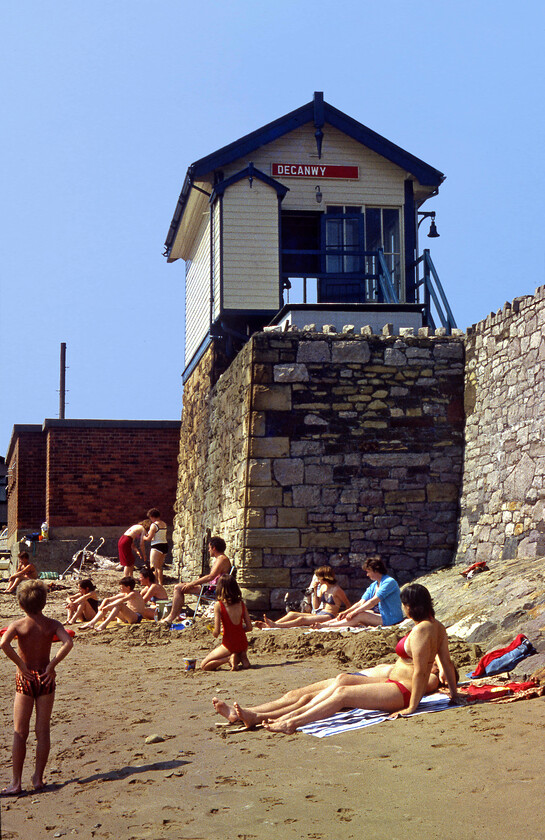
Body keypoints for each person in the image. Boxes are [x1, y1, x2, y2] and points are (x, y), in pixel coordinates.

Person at [218, 583, 462, 734]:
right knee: (339, 683)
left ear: (412, 606)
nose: (404, 610)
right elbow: (446, 663)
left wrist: (411, 708)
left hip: (403, 689)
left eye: (405, 605)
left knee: (343, 694)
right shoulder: (436, 626)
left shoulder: (422, 630)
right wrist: (453, 692)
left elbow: (421, 672)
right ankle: (259, 715)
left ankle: (290, 722)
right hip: (393, 681)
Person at [0, 580, 74, 794]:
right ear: (44, 601)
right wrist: (52, 666)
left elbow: (4, 643)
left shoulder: (18, 625)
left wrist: (21, 666)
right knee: (42, 731)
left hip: (25, 679)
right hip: (45, 677)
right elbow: (68, 642)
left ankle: (16, 782)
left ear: (21, 604)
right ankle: (38, 779)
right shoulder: (52, 624)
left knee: (19, 732)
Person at [160, 536, 231, 626]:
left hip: (215, 590)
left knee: (178, 588)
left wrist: (192, 583)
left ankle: (171, 617)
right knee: (179, 587)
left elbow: (211, 577)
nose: (209, 550)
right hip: (211, 587)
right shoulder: (220, 559)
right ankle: (175, 615)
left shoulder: (222, 559)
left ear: (214, 548)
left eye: (209, 548)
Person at [317, 555, 403, 629]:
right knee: (355, 613)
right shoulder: (374, 585)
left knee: (360, 615)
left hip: (391, 618)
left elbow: (373, 602)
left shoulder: (389, 582)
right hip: (381, 615)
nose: (367, 575)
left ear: (375, 570)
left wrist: (355, 612)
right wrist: (346, 612)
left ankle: (328, 626)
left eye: (368, 572)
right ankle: (324, 624)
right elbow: (361, 602)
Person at [255, 566, 351, 629]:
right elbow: (316, 606)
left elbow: (348, 604)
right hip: (320, 613)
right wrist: (314, 589)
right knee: (292, 614)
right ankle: (271, 625)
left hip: (330, 615)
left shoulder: (337, 590)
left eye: (318, 577)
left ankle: (276, 625)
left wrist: (346, 617)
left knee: (301, 619)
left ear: (324, 577)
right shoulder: (322, 587)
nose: (317, 579)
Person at [200, 575, 252, 671]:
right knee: (238, 649)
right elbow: (249, 627)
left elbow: (216, 632)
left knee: (204, 666)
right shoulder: (241, 604)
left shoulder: (219, 605)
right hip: (243, 643)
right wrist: (237, 630)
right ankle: (242, 657)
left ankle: (228, 659)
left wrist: (214, 631)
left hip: (229, 644)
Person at [82, 577, 155, 632]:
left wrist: (108, 606)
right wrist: (103, 605)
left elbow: (122, 600)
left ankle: (104, 625)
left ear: (128, 587)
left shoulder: (133, 593)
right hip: (126, 617)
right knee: (108, 605)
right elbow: (108, 599)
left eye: (121, 587)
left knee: (119, 605)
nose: (120, 588)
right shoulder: (125, 593)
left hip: (136, 617)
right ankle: (92, 623)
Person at [142, 508, 168, 586]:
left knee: (153, 566)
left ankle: (154, 584)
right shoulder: (164, 523)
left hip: (156, 546)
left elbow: (149, 538)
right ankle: (160, 583)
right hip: (165, 545)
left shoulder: (154, 525)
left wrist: (144, 538)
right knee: (159, 567)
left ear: (152, 516)